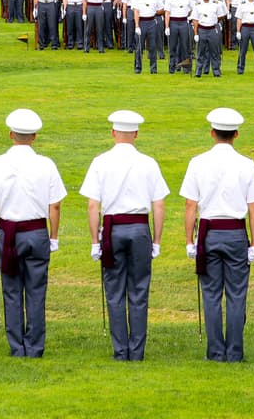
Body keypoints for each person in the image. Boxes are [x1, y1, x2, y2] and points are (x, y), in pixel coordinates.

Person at [80, 109, 168, 361]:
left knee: (115, 289)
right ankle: (137, 351)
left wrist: (95, 242)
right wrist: (157, 240)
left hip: (112, 229)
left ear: (113, 133)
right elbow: (159, 205)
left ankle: (121, 350)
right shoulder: (148, 163)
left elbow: (92, 205)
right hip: (139, 228)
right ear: (136, 134)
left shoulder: (100, 161)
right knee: (139, 290)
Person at [0, 107, 65, 358]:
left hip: (9, 233)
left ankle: (17, 346)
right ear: (34, 137)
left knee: (12, 290)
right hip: (36, 232)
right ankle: (35, 346)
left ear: (10, 135)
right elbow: (55, 204)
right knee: (36, 291)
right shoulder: (46, 164)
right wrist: (54, 236)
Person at [180, 107, 254, 363]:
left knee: (211, 294)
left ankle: (216, 352)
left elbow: (190, 206)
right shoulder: (247, 165)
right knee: (237, 294)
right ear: (236, 134)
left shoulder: (198, 162)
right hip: (236, 233)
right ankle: (235, 352)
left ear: (212, 133)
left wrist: (189, 240)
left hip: (208, 234)